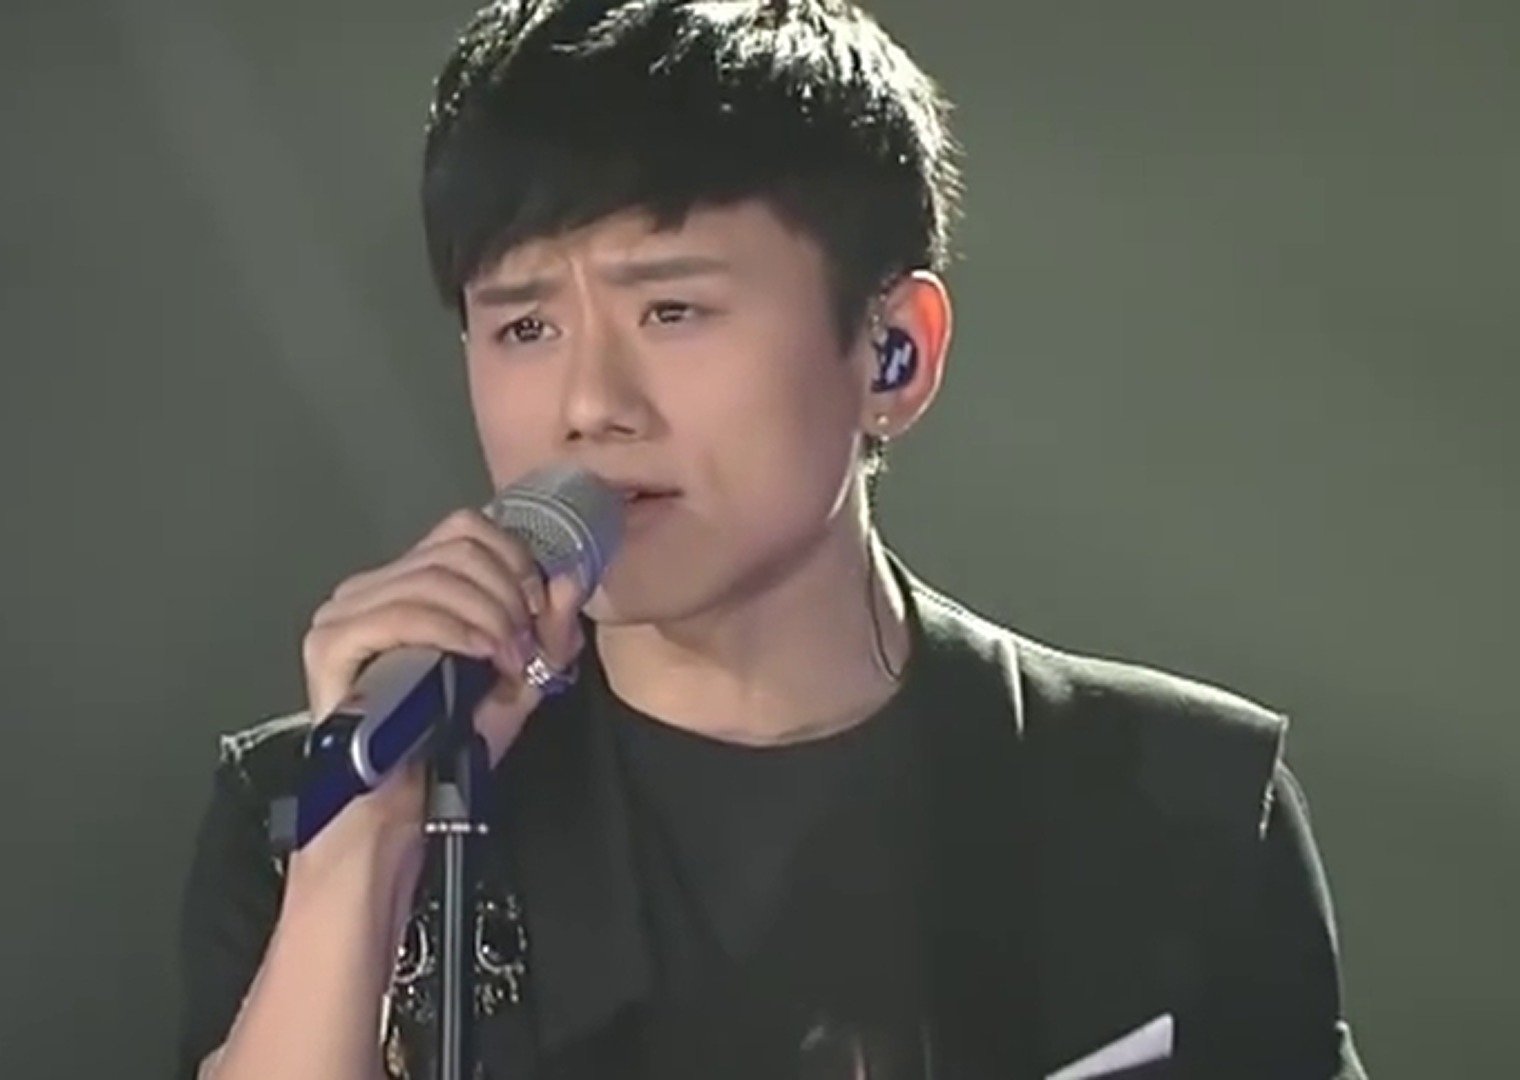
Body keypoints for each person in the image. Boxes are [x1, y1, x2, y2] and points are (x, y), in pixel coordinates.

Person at [175, 1, 1368, 1077]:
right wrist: (360, 850)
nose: (590, 404)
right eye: (525, 326)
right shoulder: (318, 803)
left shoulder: (1177, 813)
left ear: (893, 352)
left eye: (672, 309)